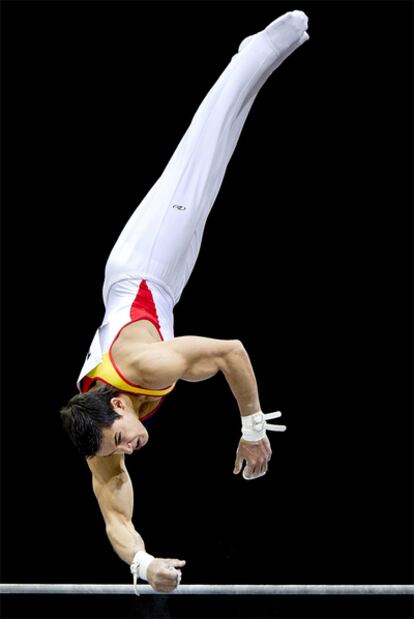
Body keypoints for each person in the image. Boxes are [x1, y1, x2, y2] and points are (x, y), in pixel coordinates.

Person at [60, 10, 309, 594]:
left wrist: (253, 427)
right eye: (116, 450)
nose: (127, 448)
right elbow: (116, 517)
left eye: (121, 437)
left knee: (204, 145)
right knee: (216, 158)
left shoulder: (144, 369)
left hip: (147, 262)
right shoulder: (100, 440)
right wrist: (142, 566)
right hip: (160, 286)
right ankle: (258, 58)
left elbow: (231, 352)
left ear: (118, 403)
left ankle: (253, 51)